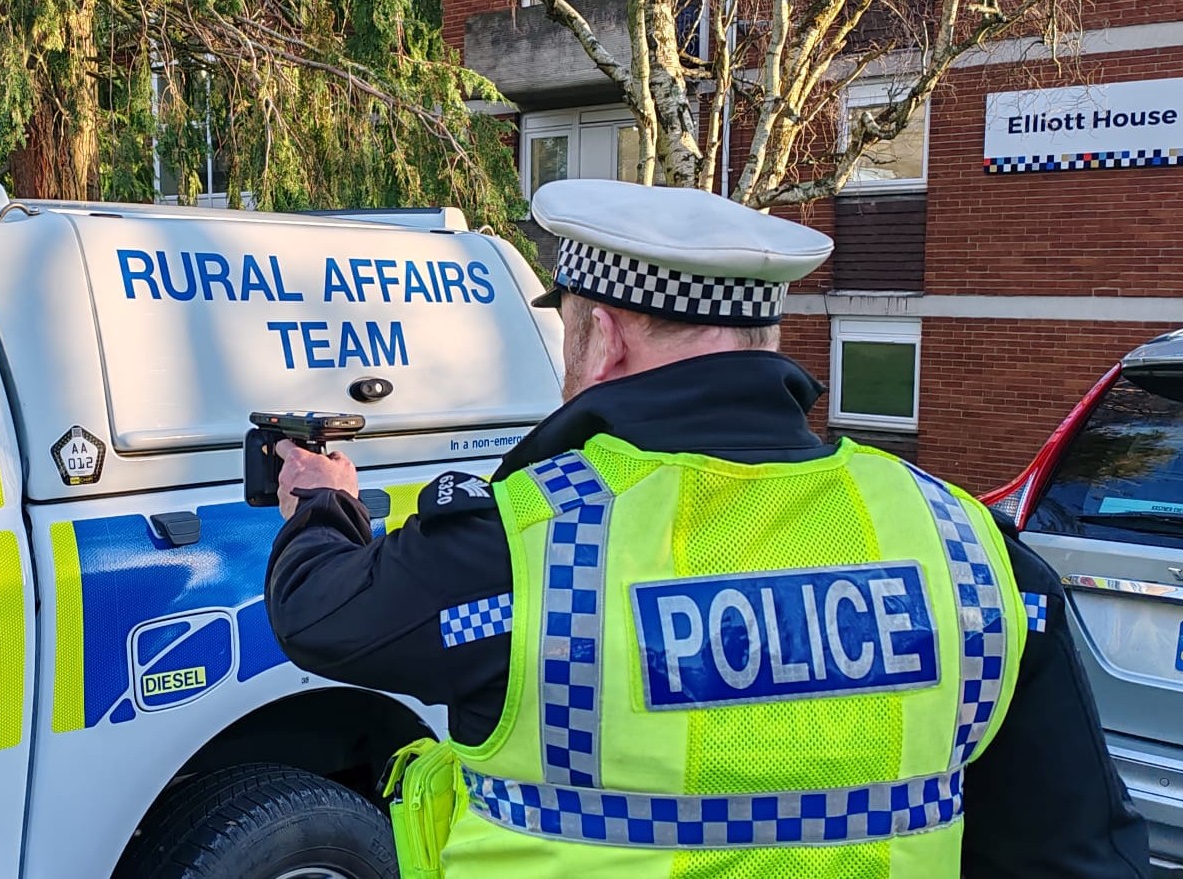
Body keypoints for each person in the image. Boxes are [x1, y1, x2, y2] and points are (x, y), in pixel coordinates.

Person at [264, 179, 1149, 877]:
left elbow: (325, 616)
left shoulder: (532, 544)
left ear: (602, 340)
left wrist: (319, 499)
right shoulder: (963, 546)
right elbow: (1068, 848)